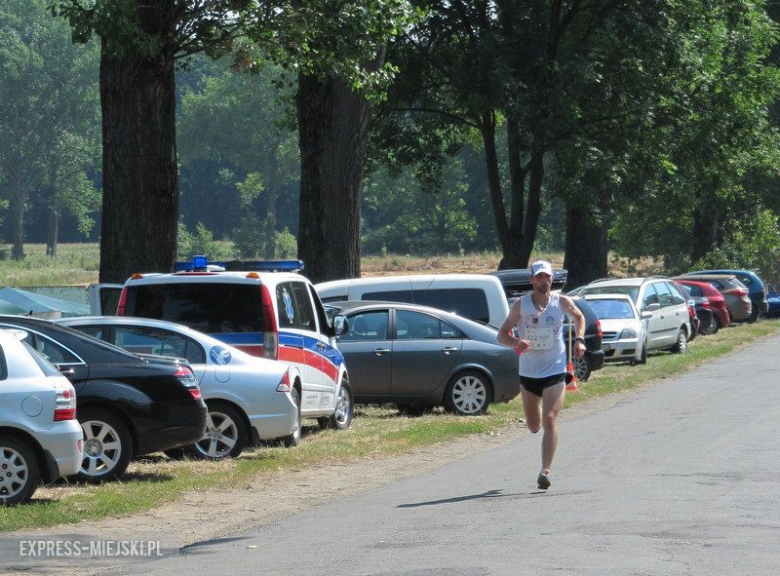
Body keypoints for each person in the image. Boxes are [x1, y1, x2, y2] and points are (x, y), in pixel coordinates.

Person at [497, 259, 586, 490]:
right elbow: (501, 335)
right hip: (528, 372)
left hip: (555, 368)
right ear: (531, 280)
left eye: (547, 277)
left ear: (551, 279)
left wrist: (579, 339)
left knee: (549, 419)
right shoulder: (521, 305)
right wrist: (517, 342)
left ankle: (545, 471)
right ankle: (535, 418)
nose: (544, 281)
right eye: (539, 277)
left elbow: (579, 317)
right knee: (533, 425)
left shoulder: (562, 302)